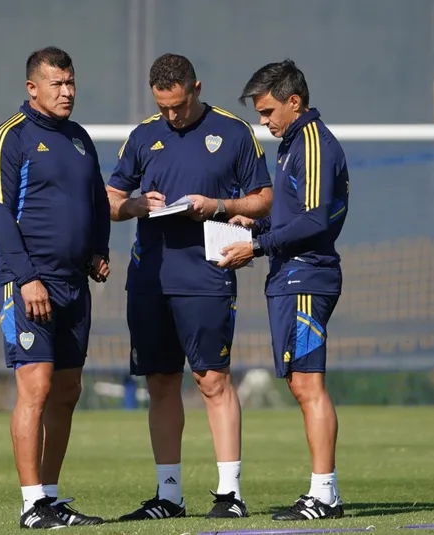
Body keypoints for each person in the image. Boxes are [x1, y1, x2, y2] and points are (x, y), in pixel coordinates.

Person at [106, 53, 273, 521]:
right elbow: (111, 199)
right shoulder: (143, 136)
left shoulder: (234, 132)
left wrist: (218, 205)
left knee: (211, 379)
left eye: (178, 106)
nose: (172, 115)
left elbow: (264, 199)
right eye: (163, 107)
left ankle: (230, 494)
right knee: (160, 382)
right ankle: (169, 496)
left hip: (207, 275)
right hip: (149, 279)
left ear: (196, 89)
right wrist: (135, 206)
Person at [0, 46, 110, 530]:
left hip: (74, 282)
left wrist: (99, 248)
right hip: (29, 282)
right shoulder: (8, 138)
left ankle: (52, 498)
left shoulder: (79, 138)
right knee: (35, 385)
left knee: (68, 389)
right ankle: (32, 504)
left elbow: (97, 200)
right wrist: (26, 277)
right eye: (57, 84)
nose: (67, 92)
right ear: (32, 88)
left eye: (71, 82)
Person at [220, 59, 349, 521]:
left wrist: (257, 245)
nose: (264, 121)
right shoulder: (292, 144)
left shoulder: (312, 143)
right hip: (290, 276)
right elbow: (295, 213)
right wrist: (257, 224)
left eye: (268, 111)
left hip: (306, 277)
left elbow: (315, 220)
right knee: (300, 382)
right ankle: (323, 492)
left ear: (294, 102)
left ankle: (324, 495)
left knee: (309, 383)